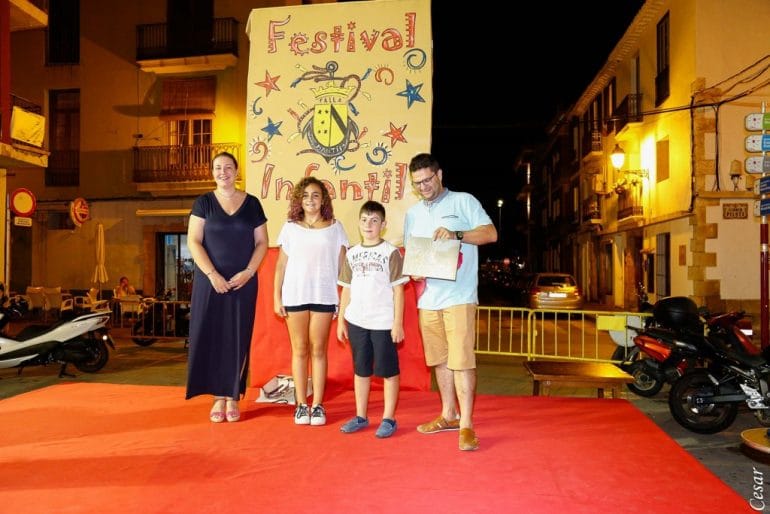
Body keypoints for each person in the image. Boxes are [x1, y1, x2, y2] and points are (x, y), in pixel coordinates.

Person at [403, 153, 497, 451]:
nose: (424, 186)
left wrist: (456, 234)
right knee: (440, 359)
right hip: (428, 298)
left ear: (440, 174)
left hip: (459, 296)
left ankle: (467, 425)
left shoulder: (463, 201)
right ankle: (448, 414)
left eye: (428, 180)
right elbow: (411, 252)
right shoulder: (413, 213)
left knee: (461, 360)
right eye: (418, 183)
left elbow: (490, 234)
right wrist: (413, 271)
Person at [185, 151, 269, 423]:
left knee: (237, 338)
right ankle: (217, 398)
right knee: (211, 336)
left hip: (243, 283)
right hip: (210, 284)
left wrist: (249, 272)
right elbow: (194, 242)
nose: (223, 172)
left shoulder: (253, 203)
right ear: (212, 172)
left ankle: (233, 395)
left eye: (228, 167)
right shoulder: (203, 203)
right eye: (218, 168)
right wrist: (212, 275)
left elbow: (262, 243)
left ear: (236, 170)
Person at [274, 176, 348, 426]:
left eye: (315, 195)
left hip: (324, 296)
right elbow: (280, 266)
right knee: (300, 350)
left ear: (323, 199)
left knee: (318, 350)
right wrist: (277, 297)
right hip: (295, 295)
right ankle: (300, 405)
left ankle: (317, 405)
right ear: (299, 200)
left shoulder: (336, 228)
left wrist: (343, 301)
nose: (310, 200)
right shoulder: (290, 227)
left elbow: (343, 269)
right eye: (305, 195)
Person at [336, 201, 408, 438]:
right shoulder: (352, 253)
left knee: (388, 371)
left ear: (383, 225)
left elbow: (399, 291)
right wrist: (341, 322)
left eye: (375, 220)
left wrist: (397, 323)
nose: (369, 224)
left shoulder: (391, 253)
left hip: (383, 322)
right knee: (361, 370)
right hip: (357, 321)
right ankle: (360, 416)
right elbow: (346, 289)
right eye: (365, 220)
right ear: (359, 223)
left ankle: (388, 418)